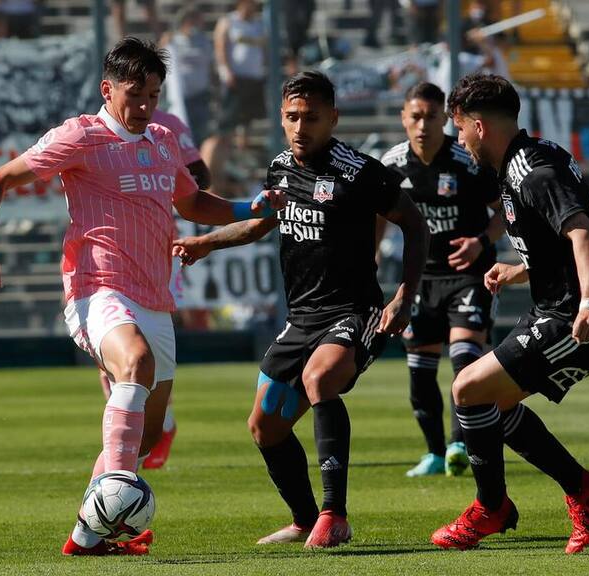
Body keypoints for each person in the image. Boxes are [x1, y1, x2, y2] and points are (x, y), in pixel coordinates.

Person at [0, 37, 285, 557]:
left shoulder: (162, 140)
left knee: (148, 434)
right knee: (134, 362)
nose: (144, 106)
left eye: (153, 95)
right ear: (107, 89)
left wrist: (249, 207)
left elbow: (192, 202)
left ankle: (86, 537)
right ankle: (117, 492)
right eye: (135, 94)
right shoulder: (81, 136)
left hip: (154, 297)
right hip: (96, 289)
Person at [173, 71, 429, 548]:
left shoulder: (360, 172)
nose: (300, 127)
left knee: (320, 378)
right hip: (301, 319)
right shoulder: (280, 167)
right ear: (281, 117)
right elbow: (262, 223)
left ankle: (335, 515)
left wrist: (404, 296)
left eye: (311, 118)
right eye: (292, 117)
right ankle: (305, 519)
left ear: (333, 118)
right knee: (264, 426)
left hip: (355, 312)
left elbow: (415, 224)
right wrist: (206, 243)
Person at [431, 73, 589, 554]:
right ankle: (583, 488)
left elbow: (585, 235)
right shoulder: (528, 159)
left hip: (576, 320)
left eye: (460, 128)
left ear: (479, 126)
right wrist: (519, 270)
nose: (460, 139)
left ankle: (492, 508)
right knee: (489, 405)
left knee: (468, 390)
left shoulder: (535, 171)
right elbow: (559, 244)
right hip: (554, 309)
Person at [380, 82, 504, 478]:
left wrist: (481, 241)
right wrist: (371, 261)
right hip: (420, 280)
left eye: (431, 117)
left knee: (465, 360)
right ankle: (434, 453)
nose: (423, 125)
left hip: (470, 276)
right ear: (403, 118)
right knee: (420, 369)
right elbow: (378, 216)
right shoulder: (392, 164)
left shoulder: (467, 161)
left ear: (444, 121)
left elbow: (505, 210)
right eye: (415, 117)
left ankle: (459, 445)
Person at [96, 108, 211, 471]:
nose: (143, 101)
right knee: (115, 355)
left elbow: (201, 175)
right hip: (107, 257)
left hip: (157, 246)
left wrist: (165, 185)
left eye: (151, 91)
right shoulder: (91, 129)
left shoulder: (168, 127)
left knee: (143, 349)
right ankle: (127, 448)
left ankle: (160, 423)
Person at [214, 0, 267, 144]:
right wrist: (225, 71)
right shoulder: (228, 21)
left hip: (254, 77)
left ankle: (243, 146)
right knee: (229, 119)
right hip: (235, 78)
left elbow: (264, 48)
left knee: (247, 120)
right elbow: (220, 47)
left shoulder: (259, 23)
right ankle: (226, 149)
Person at [160, 6, 213, 147]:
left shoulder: (205, 42)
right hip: (180, 99)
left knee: (200, 134)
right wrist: (164, 43)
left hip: (199, 97)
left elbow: (210, 65)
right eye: (192, 21)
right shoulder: (173, 41)